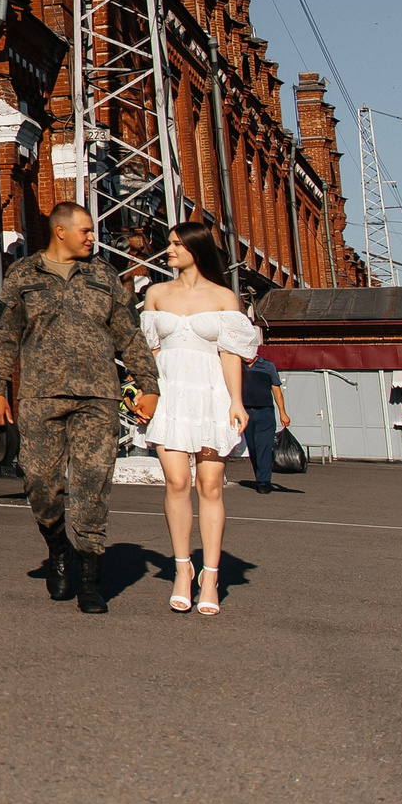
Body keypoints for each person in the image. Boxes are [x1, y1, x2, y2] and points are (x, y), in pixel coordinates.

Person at [0, 201, 161, 615]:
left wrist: (148, 385)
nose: (92, 238)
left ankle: (89, 580)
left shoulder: (103, 275)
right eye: (85, 231)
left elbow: (129, 334)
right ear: (60, 231)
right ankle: (58, 547)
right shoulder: (23, 274)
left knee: (92, 485)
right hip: (40, 396)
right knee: (39, 482)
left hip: (98, 397)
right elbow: (3, 335)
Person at [139, 219, 262, 617]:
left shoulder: (224, 297)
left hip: (211, 397)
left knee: (210, 485)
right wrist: (145, 392)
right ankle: (182, 570)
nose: (169, 250)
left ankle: (210, 577)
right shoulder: (156, 294)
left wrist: (236, 402)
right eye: (169, 243)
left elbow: (230, 354)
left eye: (176, 244)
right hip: (171, 396)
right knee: (177, 482)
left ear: (196, 248)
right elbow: (150, 353)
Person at [241, 332, 290, 493]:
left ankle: (264, 482)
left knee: (264, 446)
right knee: (253, 448)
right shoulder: (237, 366)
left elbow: (276, 390)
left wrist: (283, 413)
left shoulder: (267, 366)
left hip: (265, 412)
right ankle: (259, 477)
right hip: (246, 412)